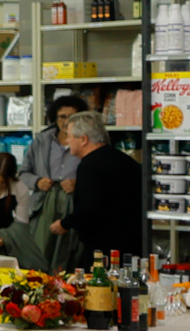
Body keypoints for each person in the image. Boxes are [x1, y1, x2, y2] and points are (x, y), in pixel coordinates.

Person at [50, 109, 144, 259]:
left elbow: (89, 208)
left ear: (83, 140)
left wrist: (64, 224)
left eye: (69, 136)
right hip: (135, 242)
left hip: (104, 246)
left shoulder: (89, 166)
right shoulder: (124, 160)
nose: (67, 141)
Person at [25, 94, 88, 199]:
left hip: (77, 201)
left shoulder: (89, 142)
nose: (67, 122)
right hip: (44, 202)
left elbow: (103, 177)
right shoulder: (41, 141)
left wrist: (79, 184)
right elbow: (23, 172)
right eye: (62, 117)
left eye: (72, 117)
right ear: (55, 118)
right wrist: (37, 182)